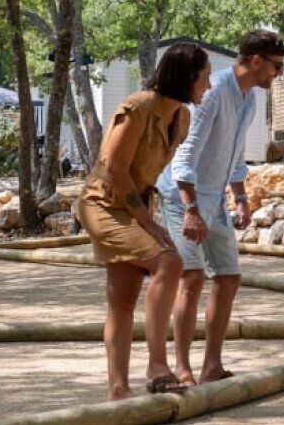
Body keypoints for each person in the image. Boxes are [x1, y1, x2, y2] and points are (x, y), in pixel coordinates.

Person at [75, 43, 211, 400]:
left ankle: (118, 389)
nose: (208, 86)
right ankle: (157, 366)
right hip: (104, 205)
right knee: (169, 261)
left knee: (123, 297)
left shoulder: (181, 118)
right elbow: (116, 171)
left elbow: (152, 175)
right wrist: (148, 223)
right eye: (204, 78)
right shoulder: (136, 108)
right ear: (185, 77)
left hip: (136, 205)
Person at [158, 31, 284, 386]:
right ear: (256, 61)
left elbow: (234, 155)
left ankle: (211, 364)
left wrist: (240, 197)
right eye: (277, 66)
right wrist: (191, 210)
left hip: (214, 199)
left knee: (229, 277)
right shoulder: (211, 93)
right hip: (182, 198)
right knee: (192, 277)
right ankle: (182, 368)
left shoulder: (249, 101)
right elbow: (185, 157)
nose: (279, 74)